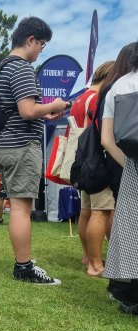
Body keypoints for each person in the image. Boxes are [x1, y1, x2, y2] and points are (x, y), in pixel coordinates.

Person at [0, 16, 68, 285]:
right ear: (31, 40)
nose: (41, 51)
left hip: (2, 144)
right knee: (22, 208)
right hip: (20, 144)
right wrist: (53, 104)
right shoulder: (21, 68)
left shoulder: (3, 67)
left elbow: (19, 111)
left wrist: (41, 114)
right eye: (42, 45)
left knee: (16, 205)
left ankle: (24, 263)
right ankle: (24, 267)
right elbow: (27, 110)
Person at [101, 42, 138, 313]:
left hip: (134, 163)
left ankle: (132, 296)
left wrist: (130, 165)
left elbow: (107, 139)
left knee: (131, 231)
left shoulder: (118, 86)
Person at [73, 61, 115, 277]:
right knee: (102, 211)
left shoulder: (80, 98)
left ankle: (88, 256)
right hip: (97, 162)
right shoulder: (96, 99)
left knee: (87, 212)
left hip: (83, 163)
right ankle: (96, 264)